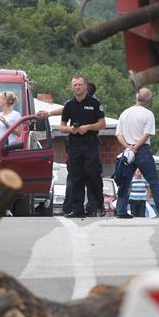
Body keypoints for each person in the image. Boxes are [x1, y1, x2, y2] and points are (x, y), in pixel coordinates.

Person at [115, 88, 159, 219]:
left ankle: (120, 210)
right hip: (142, 150)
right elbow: (146, 134)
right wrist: (136, 147)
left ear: (136, 97)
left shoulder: (124, 113)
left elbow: (118, 134)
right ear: (148, 100)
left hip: (128, 150)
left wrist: (129, 147)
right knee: (153, 181)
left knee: (125, 182)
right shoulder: (148, 114)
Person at [60, 76, 106, 218]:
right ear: (72, 87)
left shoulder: (94, 103)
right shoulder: (69, 105)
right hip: (75, 143)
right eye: (75, 85)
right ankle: (77, 208)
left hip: (90, 142)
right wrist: (71, 129)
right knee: (76, 176)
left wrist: (88, 127)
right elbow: (62, 127)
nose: (77, 87)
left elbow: (102, 124)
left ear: (85, 87)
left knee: (93, 175)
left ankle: (99, 205)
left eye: (80, 84)